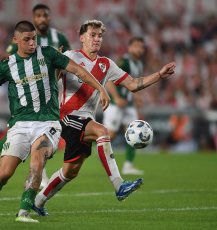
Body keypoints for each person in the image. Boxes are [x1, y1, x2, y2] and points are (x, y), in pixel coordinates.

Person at [0, 20, 110, 223]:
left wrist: (101, 88)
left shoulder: (49, 54)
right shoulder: (8, 64)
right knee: (4, 174)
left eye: (34, 38)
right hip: (19, 124)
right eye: (26, 39)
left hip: (48, 123)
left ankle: (23, 212)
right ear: (15, 40)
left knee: (38, 161)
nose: (31, 43)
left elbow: (78, 71)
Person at [31, 20, 176, 217]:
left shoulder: (106, 64)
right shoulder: (69, 56)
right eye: (92, 35)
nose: (97, 39)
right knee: (102, 131)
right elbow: (51, 83)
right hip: (67, 116)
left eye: (99, 36)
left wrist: (159, 75)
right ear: (82, 38)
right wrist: (55, 66)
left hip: (85, 119)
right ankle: (119, 185)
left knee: (70, 172)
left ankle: (38, 202)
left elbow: (133, 84)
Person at [0, 4, 70, 187]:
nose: (42, 19)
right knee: (31, 125)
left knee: (42, 128)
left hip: (52, 87)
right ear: (33, 18)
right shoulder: (23, 37)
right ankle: (39, 175)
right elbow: (9, 61)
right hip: (27, 88)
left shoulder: (58, 38)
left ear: (50, 17)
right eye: (38, 16)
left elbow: (67, 61)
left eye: (45, 15)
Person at [103, 37, 146, 175]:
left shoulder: (138, 64)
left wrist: (137, 97)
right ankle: (83, 148)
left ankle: (128, 166)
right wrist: (116, 97)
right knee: (110, 136)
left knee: (135, 134)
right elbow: (109, 79)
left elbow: (131, 85)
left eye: (141, 47)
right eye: (136, 46)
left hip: (128, 105)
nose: (139, 49)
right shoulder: (124, 62)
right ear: (129, 47)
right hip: (116, 105)